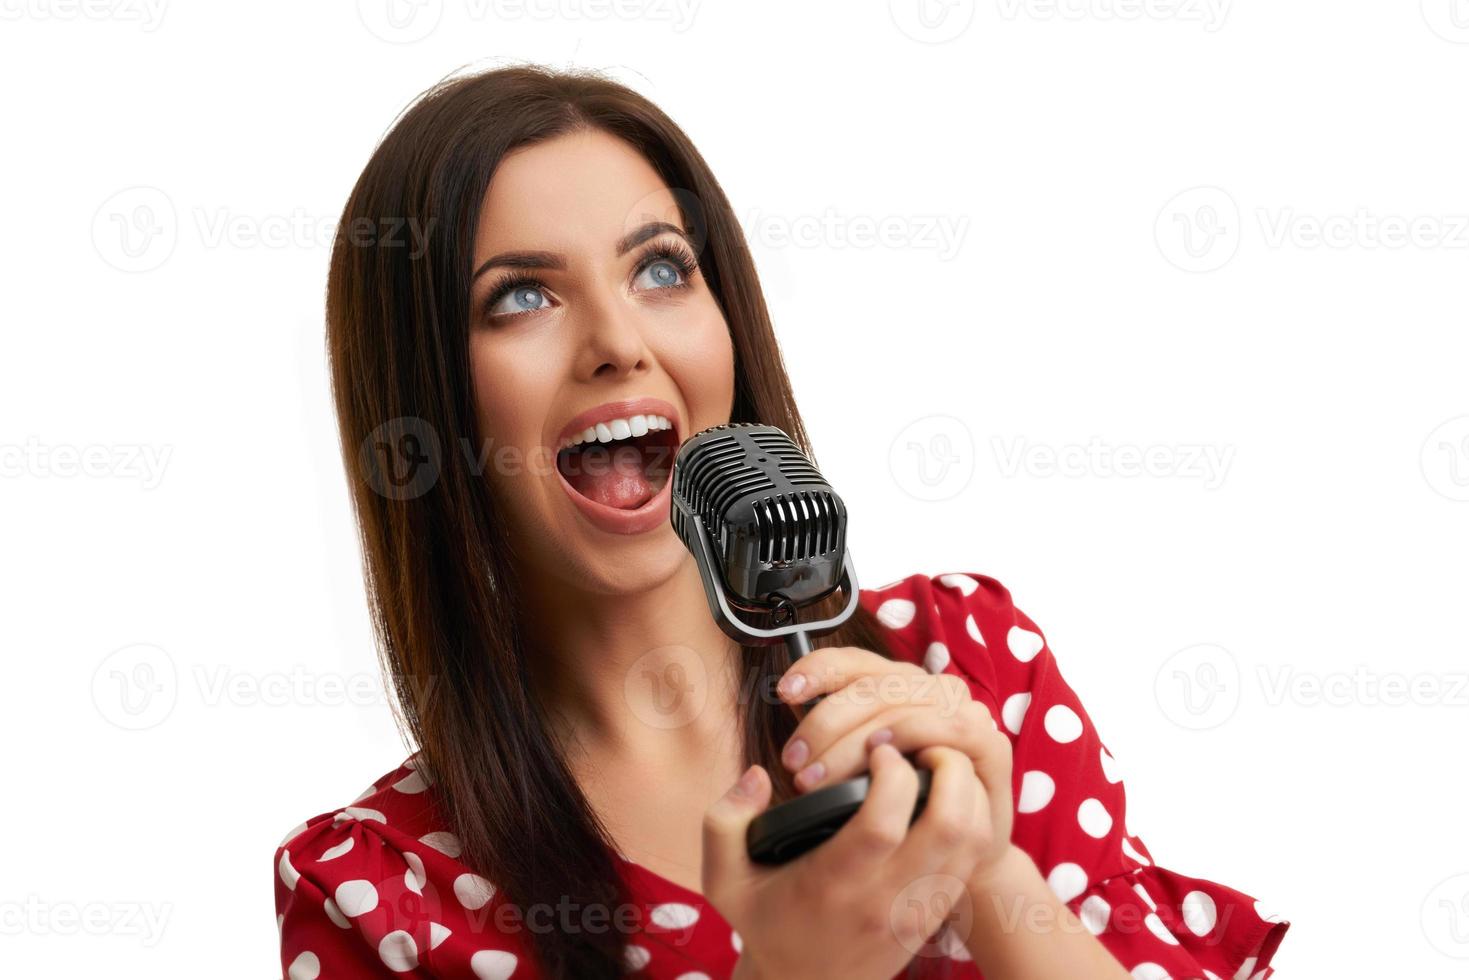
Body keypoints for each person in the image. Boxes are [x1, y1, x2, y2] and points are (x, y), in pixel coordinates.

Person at [274, 64, 1289, 979]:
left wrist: (981, 864)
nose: (616, 341)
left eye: (661, 269)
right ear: (428, 396)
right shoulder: (377, 889)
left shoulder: (968, 661)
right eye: (521, 297)